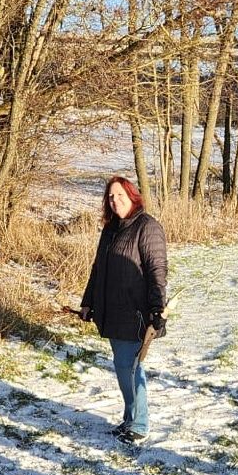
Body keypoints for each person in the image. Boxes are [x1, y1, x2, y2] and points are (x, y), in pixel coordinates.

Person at [79, 176, 168, 445]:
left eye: (120, 195)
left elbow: (157, 271)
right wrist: (88, 302)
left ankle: (139, 424)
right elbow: (98, 269)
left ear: (132, 196)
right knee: (122, 368)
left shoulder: (147, 227)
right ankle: (130, 419)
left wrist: (157, 309)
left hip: (135, 313)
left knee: (130, 368)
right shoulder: (110, 229)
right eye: (110, 196)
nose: (114, 201)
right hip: (113, 311)